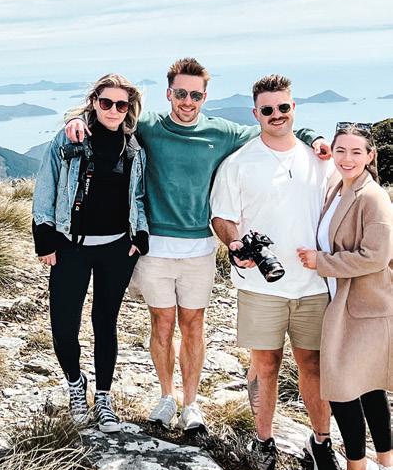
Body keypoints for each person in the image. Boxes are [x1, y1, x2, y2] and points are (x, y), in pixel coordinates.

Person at [65, 58, 329, 432]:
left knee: (193, 326)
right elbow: (108, 116)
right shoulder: (148, 126)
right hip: (155, 248)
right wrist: (76, 121)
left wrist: (313, 137)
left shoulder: (221, 132)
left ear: (205, 96)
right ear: (168, 93)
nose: (187, 101)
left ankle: (191, 404)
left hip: (200, 248)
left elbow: (274, 126)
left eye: (195, 95)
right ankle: (166, 397)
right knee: (161, 324)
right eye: (181, 93)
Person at [210, 75, 340, 470]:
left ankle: (321, 443)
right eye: (268, 109)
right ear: (256, 114)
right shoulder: (239, 163)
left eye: (283, 107)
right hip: (260, 286)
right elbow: (222, 217)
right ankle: (263, 440)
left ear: (293, 108)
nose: (277, 115)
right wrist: (234, 244)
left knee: (313, 365)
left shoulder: (320, 160)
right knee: (264, 364)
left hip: (314, 285)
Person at [32, 74, 149, 432]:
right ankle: (74, 382)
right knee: (63, 326)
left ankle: (103, 397)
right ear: (94, 102)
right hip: (71, 247)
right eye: (106, 102)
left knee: (105, 324)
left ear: (129, 108)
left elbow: (138, 196)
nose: (113, 110)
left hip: (117, 249)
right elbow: (46, 185)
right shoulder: (70, 138)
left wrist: (140, 235)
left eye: (121, 104)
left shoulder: (134, 147)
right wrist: (45, 238)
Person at [298, 124, 393, 470]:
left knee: (340, 388)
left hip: (364, 307)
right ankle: (387, 463)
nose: (347, 158)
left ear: (370, 155)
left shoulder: (373, 197)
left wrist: (322, 262)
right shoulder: (339, 186)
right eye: (341, 150)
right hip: (347, 302)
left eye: (356, 152)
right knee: (368, 386)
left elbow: (377, 256)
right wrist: (311, 138)